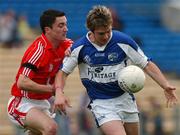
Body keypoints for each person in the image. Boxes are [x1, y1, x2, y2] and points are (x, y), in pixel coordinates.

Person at [53, 5, 178, 135]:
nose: (106, 36)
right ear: (91, 31)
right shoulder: (80, 48)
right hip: (101, 103)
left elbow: (146, 64)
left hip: (125, 99)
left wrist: (165, 85)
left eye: (109, 31)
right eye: (101, 33)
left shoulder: (123, 41)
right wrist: (59, 92)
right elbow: (63, 72)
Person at [7, 9, 72, 135]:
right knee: (51, 128)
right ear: (48, 30)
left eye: (66, 24)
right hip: (22, 102)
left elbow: (83, 47)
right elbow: (22, 82)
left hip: (42, 103)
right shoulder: (39, 50)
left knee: (48, 131)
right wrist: (55, 91)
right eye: (61, 25)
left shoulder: (66, 45)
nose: (66, 29)